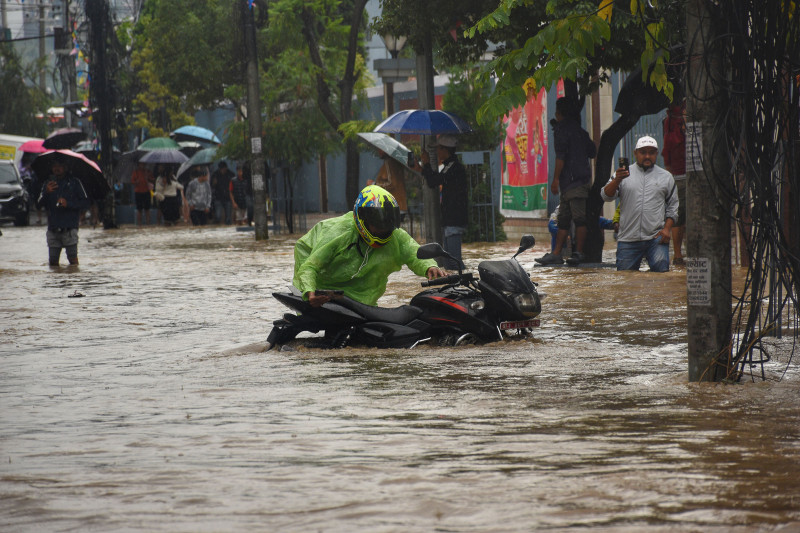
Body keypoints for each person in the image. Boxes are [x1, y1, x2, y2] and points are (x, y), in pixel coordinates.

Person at [293, 185, 447, 307]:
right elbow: (310, 266)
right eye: (377, 224)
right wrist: (309, 291)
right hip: (322, 287)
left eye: (386, 224)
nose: (382, 229)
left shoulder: (395, 235)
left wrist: (429, 267)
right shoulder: (339, 234)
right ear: (363, 218)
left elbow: (414, 251)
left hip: (361, 297)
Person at [601, 135, 678, 272]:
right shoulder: (623, 174)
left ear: (656, 154)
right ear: (635, 153)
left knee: (661, 279)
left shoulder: (666, 177)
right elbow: (606, 196)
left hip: (656, 238)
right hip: (628, 239)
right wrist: (617, 180)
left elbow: (673, 206)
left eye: (651, 152)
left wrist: (667, 229)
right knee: (626, 282)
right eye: (643, 152)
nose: (647, 156)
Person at [536, 97, 597, 266]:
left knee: (578, 218)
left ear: (559, 113)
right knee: (564, 218)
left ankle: (578, 253)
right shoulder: (580, 131)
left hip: (573, 182)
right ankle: (557, 254)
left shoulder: (562, 131)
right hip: (574, 181)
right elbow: (592, 151)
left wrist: (555, 180)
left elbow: (560, 158)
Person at [416, 134, 468, 270]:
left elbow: (434, 181)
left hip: (454, 219)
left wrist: (426, 164)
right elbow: (435, 179)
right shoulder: (449, 166)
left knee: (454, 262)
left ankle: (464, 286)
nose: (437, 152)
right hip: (449, 219)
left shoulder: (455, 168)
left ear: (445, 149)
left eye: (438, 149)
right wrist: (423, 169)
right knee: (449, 263)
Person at [36, 153, 91, 266]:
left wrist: (68, 204)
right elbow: (38, 205)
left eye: (60, 165)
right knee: (53, 263)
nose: (57, 168)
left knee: (73, 262)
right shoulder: (47, 184)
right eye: (54, 166)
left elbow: (85, 203)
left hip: (69, 229)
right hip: (53, 229)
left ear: (65, 167)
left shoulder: (75, 182)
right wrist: (46, 193)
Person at [662, 102, 687, 266]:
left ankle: (679, 255)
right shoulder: (671, 122)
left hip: (686, 174)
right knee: (679, 215)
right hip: (679, 175)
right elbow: (667, 149)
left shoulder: (671, 120)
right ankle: (678, 255)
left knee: (682, 215)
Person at [369, 150, 409, 216]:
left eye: (380, 149)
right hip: (398, 205)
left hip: (393, 205)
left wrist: (374, 184)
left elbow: (392, 183)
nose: (379, 151)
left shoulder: (389, 163)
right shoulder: (394, 162)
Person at [130, 162, 155, 226]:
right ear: (138, 165)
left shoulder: (148, 172)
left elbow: (153, 179)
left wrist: (148, 179)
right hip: (138, 192)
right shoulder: (135, 172)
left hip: (146, 192)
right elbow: (132, 181)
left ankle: (148, 224)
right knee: (139, 209)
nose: (142, 165)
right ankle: (139, 224)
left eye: (144, 164)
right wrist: (136, 182)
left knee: (147, 209)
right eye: (141, 164)